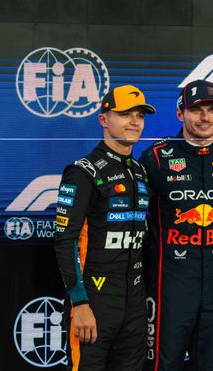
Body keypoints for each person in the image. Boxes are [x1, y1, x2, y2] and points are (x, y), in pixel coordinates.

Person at [140, 80, 213, 370]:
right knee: (163, 364)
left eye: (212, 110)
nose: (205, 117)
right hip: (171, 282)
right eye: (196, 110)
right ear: (180, 113)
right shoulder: (156, 157)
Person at [54, 85, 156, 371]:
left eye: (139, 115)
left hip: (135, 302)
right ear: (103, 119)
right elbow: (65, 242)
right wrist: (79, 303)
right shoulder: (83, 172)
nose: (134, 122)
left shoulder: (140, 172)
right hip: (94, 300)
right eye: (124, 114)